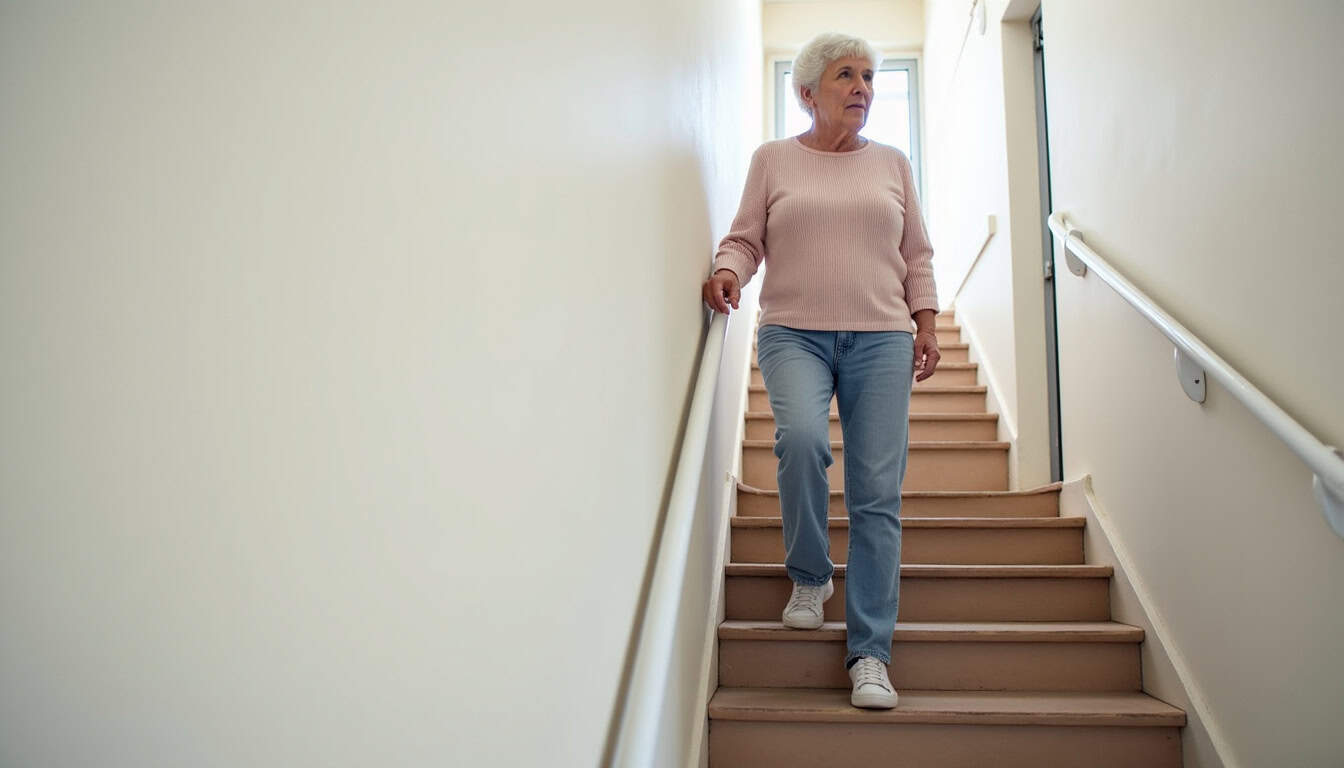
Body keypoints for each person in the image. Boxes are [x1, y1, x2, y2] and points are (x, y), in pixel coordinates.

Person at [702, 32, 940, 710]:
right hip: (793, 330)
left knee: (876, 494)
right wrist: (728, 269)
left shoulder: (892, 164)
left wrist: (925, 321)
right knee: (801, 440)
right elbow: (746, 238)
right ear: (807, 92)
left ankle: (870, 654)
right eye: (845, 75)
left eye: (868, 76)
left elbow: (916, 253)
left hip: (882, 337)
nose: (862, 87)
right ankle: (810, 574)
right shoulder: (772, 160)